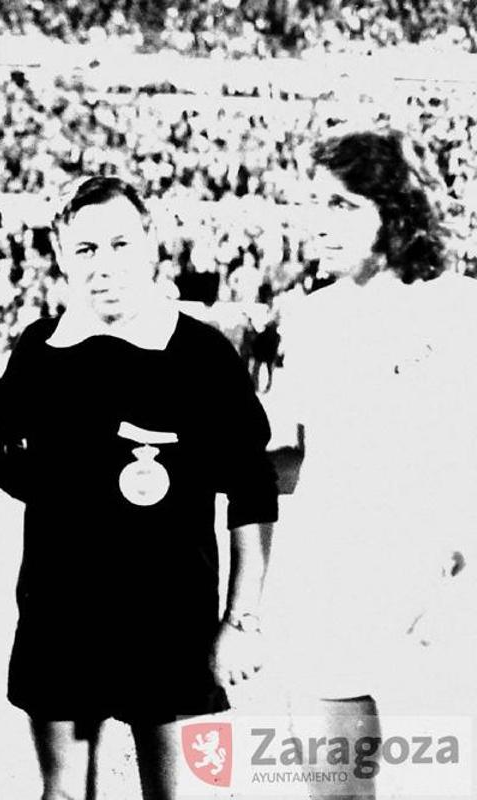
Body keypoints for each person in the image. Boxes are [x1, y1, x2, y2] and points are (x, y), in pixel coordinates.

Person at [0, 176, 277, 800]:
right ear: (59, 253)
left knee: (179, 795)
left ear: (151, 243)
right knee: (65, 793)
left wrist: (241, 620)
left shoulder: (201, 352)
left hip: (172, 617)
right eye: (85, 249)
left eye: (120, 245)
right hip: (60, 614)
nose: (104, 266)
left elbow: (252, 490)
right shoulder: (42, 348)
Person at [263, 130, 477, 800]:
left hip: (431, 588)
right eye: (313, 204)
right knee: (333, 789)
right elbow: (299, 460)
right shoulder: (311, 318)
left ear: (395, 209)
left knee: (433, 786)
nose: (319, 223)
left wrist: (455, 567)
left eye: (341, 205)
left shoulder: (457, 309)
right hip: (327, 579)